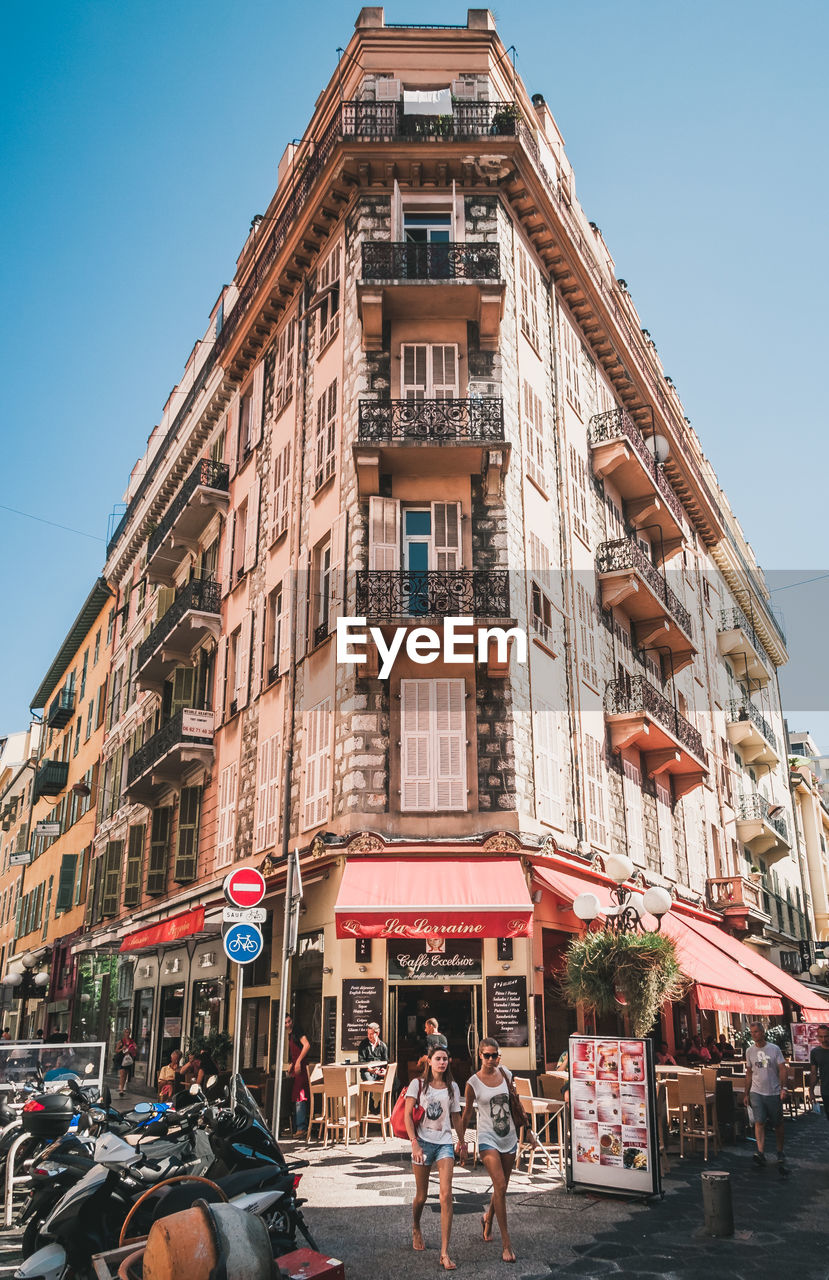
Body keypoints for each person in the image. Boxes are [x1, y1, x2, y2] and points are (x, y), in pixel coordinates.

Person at [405, 1043, 465, 1271]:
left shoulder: (452, 1087)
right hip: (422, 1143)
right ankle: (416, 1226)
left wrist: (462, 1141)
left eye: (445, 1059)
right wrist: (414, 1144)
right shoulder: (417, 1084)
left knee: (446, 1195)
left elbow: (456, 1117)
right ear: (429, 1061)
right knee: (421, 1196)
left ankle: (444, 1252)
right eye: (438, 1058)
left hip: (444, 1145)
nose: (442, 1062)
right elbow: (407, 1115)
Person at [460, 1038, 518, 1264]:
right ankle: (506, 1244)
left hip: (509, 1136)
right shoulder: (473, 1083)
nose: (492, 1059)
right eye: (487, 1055)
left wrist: (529, 1132)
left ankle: (488, 1218)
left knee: (500, 1188)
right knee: (500, 1185)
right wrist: (462, 1141)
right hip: (487, 1137)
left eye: (495, 1055)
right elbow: (466, 1114)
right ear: (480, 1056)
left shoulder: (506, 1075)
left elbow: (516, 1104)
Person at [744, 1021, 788, 1174]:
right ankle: (760, 1152)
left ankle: (780, 1151)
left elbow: (782, 1069)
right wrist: (746, 1092)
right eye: (752, 1032)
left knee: (777, 1124)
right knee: (759, 1121)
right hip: (756, 1091)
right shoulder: (749, 1051)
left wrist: (784, 1088)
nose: (754, 1034)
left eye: (756, 1031)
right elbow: (749, 1073)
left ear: (763, 1032)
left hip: (774, 1091)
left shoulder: (774, 1049)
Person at [285, 1015, 311, 1140]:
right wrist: (292, 1064)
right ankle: (298, 1126)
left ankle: (301, 1127)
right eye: (285, 1022)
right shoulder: (290, 1035)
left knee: (300, 1096)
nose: (288, 1024)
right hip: (296, 1067)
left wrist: (298, 1062)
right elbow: (295, 1052)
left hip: (301, 1068)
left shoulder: (297, 1031)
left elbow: (306, 1045)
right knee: (296, 1096)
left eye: (289, 1021)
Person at [808, 1023, 829, 1119]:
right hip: (826, 1089)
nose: (824, 1040)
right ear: (817, 1037)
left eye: (826, 1036)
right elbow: (814, 1073)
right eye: (821, 1037)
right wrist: (811, 1091)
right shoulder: (815, 1052)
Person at [113, 1028, 137, 1097]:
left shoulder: (132, 1041)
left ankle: (123, 1087)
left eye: (128, 1032)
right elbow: (116, 1050)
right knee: (122, 1074)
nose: (127, 1034)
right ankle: (121, 1089)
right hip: (121, 1059)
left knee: (126, 1074)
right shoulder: (121, 1041)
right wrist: (121, 1049)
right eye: (126, 1032)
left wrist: (133, 1049)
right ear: (124, 1033)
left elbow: (135, 1049)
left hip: (128, 1059)